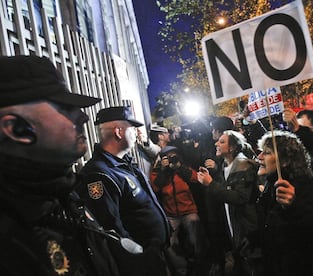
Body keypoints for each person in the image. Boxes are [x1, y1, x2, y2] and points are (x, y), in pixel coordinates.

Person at [0, 55, 141, 275]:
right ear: (16, 128)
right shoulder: (11, 234)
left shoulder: (63, 194)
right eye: (65, 108)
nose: (83, 117)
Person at [76, 106, 171, 276]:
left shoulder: (124, 164)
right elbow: (110, 229)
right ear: (119, 132)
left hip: (155, 256)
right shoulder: (99, 174)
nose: (136, 133)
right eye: (132, 128)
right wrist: (141, 257)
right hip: (140, 265)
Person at [255, 130, 313, 276]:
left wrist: (294, 205)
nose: (259, 157)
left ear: (285, 161)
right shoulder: (272, 185)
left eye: (266, 153)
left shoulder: (303, 186)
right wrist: (254, 238)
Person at [197, 130, 259, 276]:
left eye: (222, 142)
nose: (216, 143)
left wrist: (211, 184)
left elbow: (239, 198)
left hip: (246, 228)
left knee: (251, 266)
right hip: (234, 226)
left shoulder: (244, 166)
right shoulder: (225, 166)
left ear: (232, 148)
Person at [151, 146, 204, 276]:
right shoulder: (158, 171)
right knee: (169, 242)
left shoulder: (183, 168)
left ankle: (199, 264)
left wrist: (179, 167)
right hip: (170, 214)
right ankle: (182, 269)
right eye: (168, 157)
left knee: (195, 237)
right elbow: (155, 187)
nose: (172, 159)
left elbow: (195, 178)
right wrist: (164, 170)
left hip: (189, 210)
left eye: (174, 156)